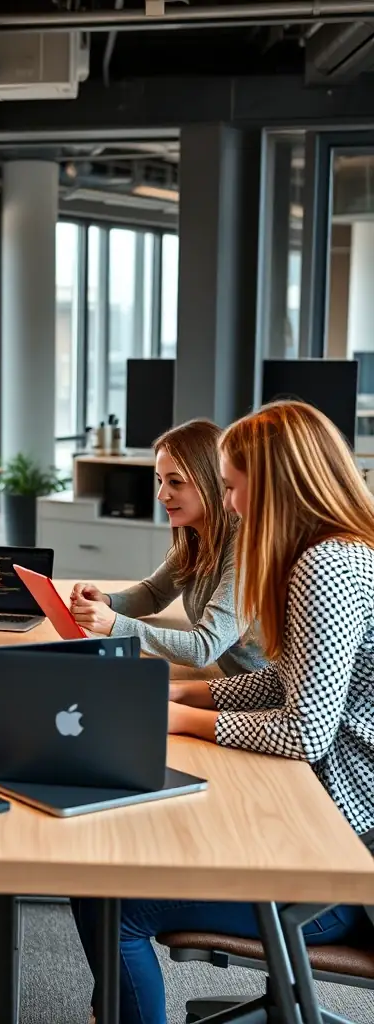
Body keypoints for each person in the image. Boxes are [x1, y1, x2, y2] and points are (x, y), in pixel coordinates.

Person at [73, 401, 374, 1024]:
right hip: (319, 825)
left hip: (341, 863)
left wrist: (179, 721)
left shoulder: (325, 565)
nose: (231, 504)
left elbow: (306, 731)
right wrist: (189, 694)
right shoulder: (339, 551)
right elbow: (289, 682)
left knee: (109, 897)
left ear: (274, 485)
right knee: (111, 860)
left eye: (233, 486)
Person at [69, 419, 265, 676]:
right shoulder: (196, 538)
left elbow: (203, 647)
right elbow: (154, 593)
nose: (161, 494)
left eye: (176, 482)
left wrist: (113, 624)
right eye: (160, 480)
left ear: (212, 482)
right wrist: (106, 601)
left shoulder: (244, 546)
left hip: (261, 700)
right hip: (227, 681)